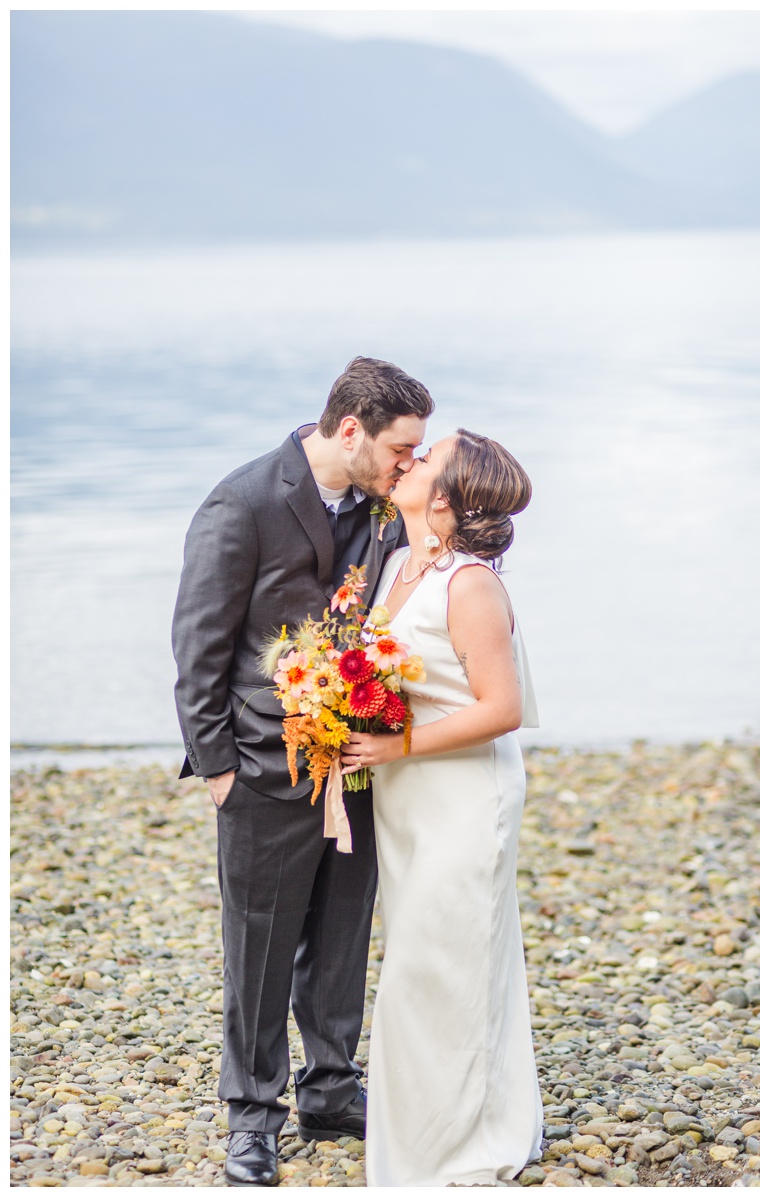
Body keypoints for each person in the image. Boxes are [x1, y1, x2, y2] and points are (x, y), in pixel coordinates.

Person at [171, 357, 432, 1187]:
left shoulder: (387, 506)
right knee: (260, 947)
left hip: (357, 757)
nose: (409, 465)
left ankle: (329, 1086)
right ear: (349, 428)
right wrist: (218, 768)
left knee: (344, 933)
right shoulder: (242, 501)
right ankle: (252, 1116)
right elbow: (198, 647)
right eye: (400, 448)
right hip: (260, 766)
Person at [338, 429, 543, 1186]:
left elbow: (504, 707)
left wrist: (398, 747)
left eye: (427, 460)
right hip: (409, 801)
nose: (410, 463)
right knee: (442, 957)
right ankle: (465, 1117)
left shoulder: (471, 584)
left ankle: (452, 1146)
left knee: (437, 965)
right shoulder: (398, 562)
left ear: (449, 497)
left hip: (463, 793)